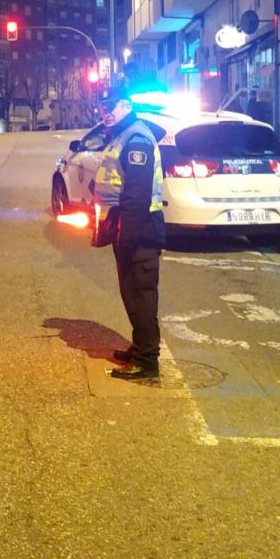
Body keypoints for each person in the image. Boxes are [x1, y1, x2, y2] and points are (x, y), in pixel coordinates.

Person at [92, 83, 166, 380]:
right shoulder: (122, 134)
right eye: (101, 107)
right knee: (131, 293)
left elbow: (137, 195)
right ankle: (139, 347)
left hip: (139, 230)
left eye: (110, 107)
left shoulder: (136, 138)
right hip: (127, 227)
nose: (105, 112)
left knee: (141, 295)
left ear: (125, 105)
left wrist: (127, 238)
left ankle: (147, 362)